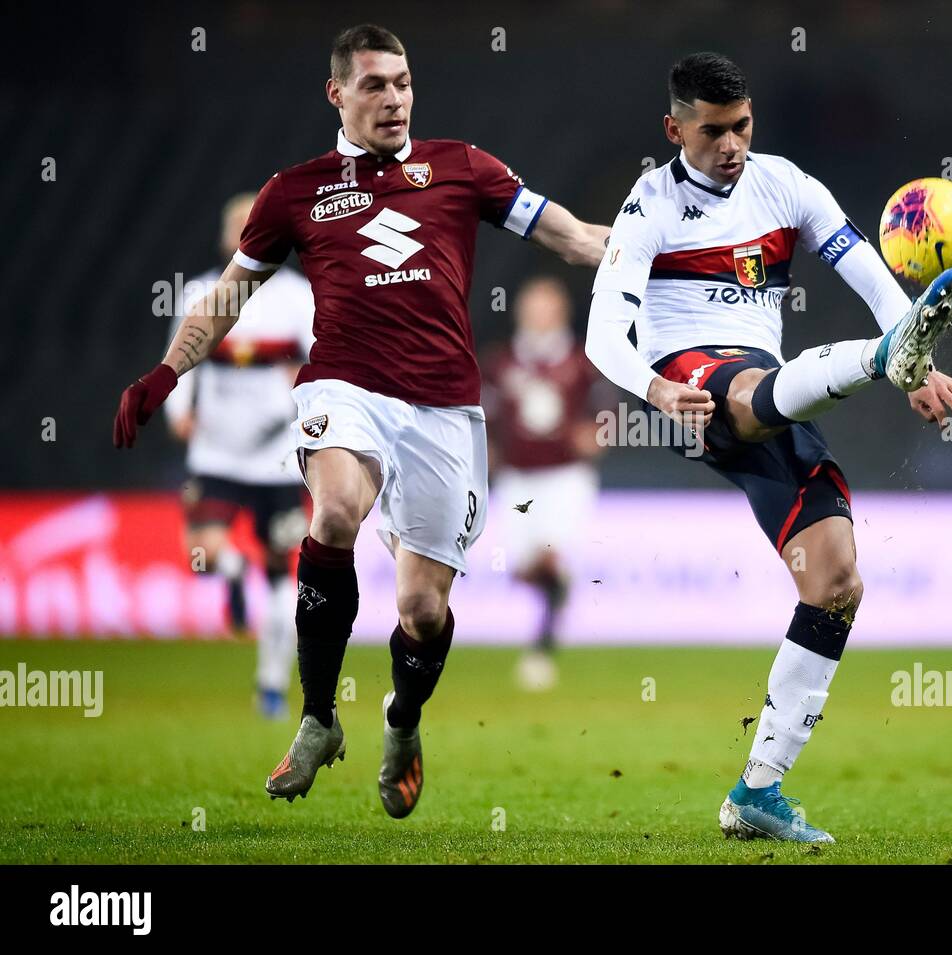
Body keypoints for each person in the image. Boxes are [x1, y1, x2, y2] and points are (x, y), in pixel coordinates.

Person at [114, 23, 610, 820]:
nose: (393, 98)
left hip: (446, 409)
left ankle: (401, 721)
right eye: (375, 84)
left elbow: (578, 237)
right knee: (336, 509)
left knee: (423, 611)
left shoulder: (463, 166)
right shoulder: (295, 190)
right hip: (345, 386)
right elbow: (227, 295)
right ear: (336, 93)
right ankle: (316, 717)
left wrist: (681, 254)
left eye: (403, 82)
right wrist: (167, 372)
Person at [584, 52, 952, 842]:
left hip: (774, 391)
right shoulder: (648, 206)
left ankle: (756, 792)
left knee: (836, 581)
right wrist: (654, 388)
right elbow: (602, 331)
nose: (731, 144)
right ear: (675, 130)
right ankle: (876, 360)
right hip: (688, 386)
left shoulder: (786, 184)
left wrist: (917, 354)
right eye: (712, 131)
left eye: (742, 126)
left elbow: (868, 271)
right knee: (742, 388)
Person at [163, 193, 315, 719]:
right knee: (200, 554)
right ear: (227, 236)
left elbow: (324, 359)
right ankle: (231, 571)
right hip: (217, 452)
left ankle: (270, 684)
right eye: (236, 225)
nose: (244, 232)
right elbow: (180, 356)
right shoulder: (203, 292)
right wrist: (177, 409)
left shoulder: (298, 296)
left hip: (276, 455)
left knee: (282, 573)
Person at [481, 277, 611, 690]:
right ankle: (555, 595)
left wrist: (597, 435)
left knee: (550, 556)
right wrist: (485, 449)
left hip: (565, 477)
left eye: (545, 307)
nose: (537, 315)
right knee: (523, 569)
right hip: (517, 479)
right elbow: (481, 414)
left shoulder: (581, 361)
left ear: (560, 313)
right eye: (531, 307)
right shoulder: (500, 363)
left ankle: (542, 646)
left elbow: (608, 409)